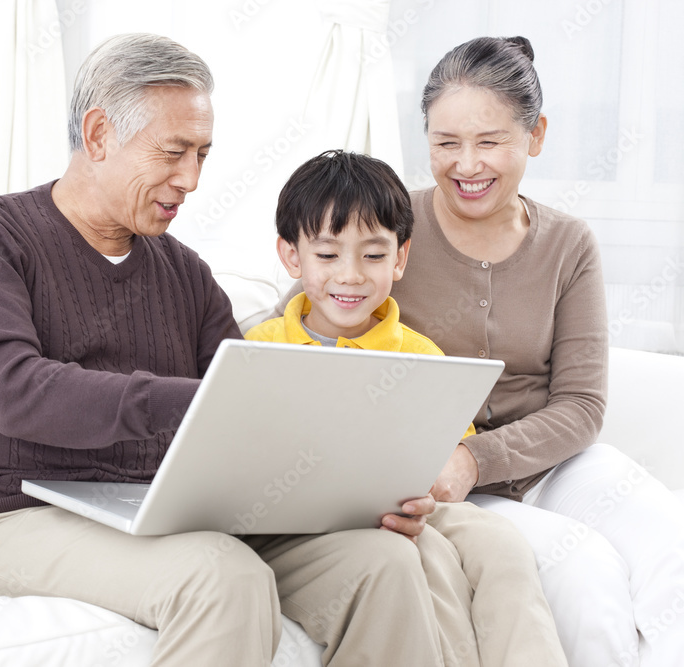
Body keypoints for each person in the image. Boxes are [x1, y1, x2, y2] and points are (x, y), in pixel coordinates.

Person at [0, 32, 484, 667]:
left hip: (171, 511)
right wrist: (191, 401)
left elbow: (254, 413)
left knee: (382, 562)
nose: (190, 179)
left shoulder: (183, 271)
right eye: (173, 152)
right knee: (223, 576)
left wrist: (366, 492)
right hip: (11, 516)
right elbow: (14, 391)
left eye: (203, 154)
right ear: (100, 134)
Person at [274, 36, 684, 667]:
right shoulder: (388, 228)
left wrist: (476, 456)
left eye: (490, 141)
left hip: (555, 463)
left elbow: (581, 404)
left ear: (536, 135)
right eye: (445, 143)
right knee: (585, 575)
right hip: (442, 484)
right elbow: (308, 310)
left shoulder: (568, 244)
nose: (467, 165)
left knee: (670, 541)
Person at [246, 148, 567, 667]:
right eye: (327, 255)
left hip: (417, 506)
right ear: (291, 257)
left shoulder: (419, 355)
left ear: (400, 258)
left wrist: (423, 492)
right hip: (309, 517)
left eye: (373, 255)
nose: (350, 276)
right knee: (430, 563)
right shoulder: (259, 349)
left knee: (502, 547)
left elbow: (445, 458)